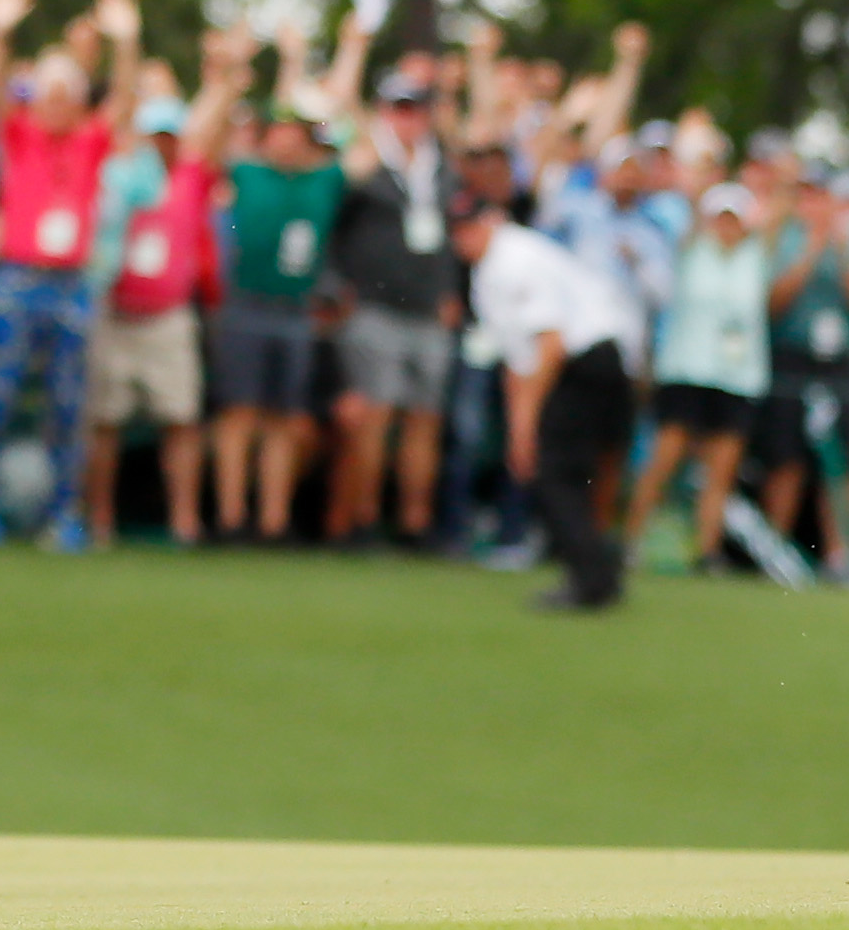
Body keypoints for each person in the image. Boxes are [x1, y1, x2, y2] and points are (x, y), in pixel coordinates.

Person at [0, 0, 143, 550]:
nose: (52, 102)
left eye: (63, 92)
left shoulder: (90, 140)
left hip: (71, 286)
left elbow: (123, 100)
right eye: (46, 92)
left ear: (78, 98)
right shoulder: (20, 134)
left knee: (67, 405)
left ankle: (62, 516)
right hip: (17, 280)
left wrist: (127, 42)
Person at [83, 38, 240, 547]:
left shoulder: (192, 177)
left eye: (171, 134)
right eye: (156, 134)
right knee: (105, 422)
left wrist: (225, 75)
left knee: (181, 421)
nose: (164, 143)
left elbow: (212, 127)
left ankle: (184, 522)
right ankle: (100, 520)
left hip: (169, 318)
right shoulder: (121, 175)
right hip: (117, 312)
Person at [450, 187, 637, 610]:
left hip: (583, 361)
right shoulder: (490, 272)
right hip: (586, 360)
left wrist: (527, 420)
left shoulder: (513, 259)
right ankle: (598, 570)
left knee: (559, 474)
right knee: (568, 472)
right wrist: (521, 429)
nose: (465, 237)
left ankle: (592, 579)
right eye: (458, 230)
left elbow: (550, 343)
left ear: (491, 220)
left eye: (471, 226)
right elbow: (517, 360)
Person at [328, 73, 464, 547]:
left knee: (425, 420)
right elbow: (334, 227)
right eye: (399, 108)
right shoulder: (364, 163)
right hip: (375, 306)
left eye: (416, 108)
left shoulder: (441, 170)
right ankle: (363, 519)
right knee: (375, 415)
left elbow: (447, 240)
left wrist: (448, 290)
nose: (409, 119)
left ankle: (414, 523)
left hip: (428, 311)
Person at [207, 102, 347, 543]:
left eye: (294, 133)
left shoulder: (326, 179)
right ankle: (231, 517)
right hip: (246, 304)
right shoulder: (246, 173)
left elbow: (352, 138)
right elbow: (206, 148)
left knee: (285, 418)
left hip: (296, 308)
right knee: (239, 412)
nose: (284, 142)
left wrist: (316, 109)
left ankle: (273, 521)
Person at [622, 182, 774, 571]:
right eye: (720, 218)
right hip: (687, 370)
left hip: (737, 376)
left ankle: (707, 551)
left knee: (721, 471)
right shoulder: (690, 250)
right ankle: (631, 541)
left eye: (733, 219)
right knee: (664, 460)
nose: (726, 226)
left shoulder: (757, 256)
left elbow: (780, 212)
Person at [759, 171, 849, 562]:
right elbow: (773, 302)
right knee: (786, 458)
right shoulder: (784, 238)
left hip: (838, 361)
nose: (815, 205)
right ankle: (775, 549)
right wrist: (810, 252)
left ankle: (841, 555)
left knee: (840, 460)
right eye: (807, 196)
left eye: (821, 196)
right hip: (791, 356)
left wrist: (841, 253)